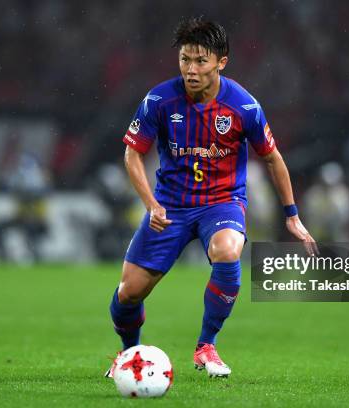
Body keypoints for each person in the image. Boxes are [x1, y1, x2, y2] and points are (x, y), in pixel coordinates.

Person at [106, 17, 317, 378]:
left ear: (222, 61)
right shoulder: (159, 100)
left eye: (200, 61)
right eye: (185, 60)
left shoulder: (243, 106)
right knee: (128, 293)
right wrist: (151, 204)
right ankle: (130, 354)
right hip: (170, 205)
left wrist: (292, 215)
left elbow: (272, 158)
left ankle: (207, 346)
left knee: (228, 250)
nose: (191, 69)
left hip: (221, 202)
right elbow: (132, 154)